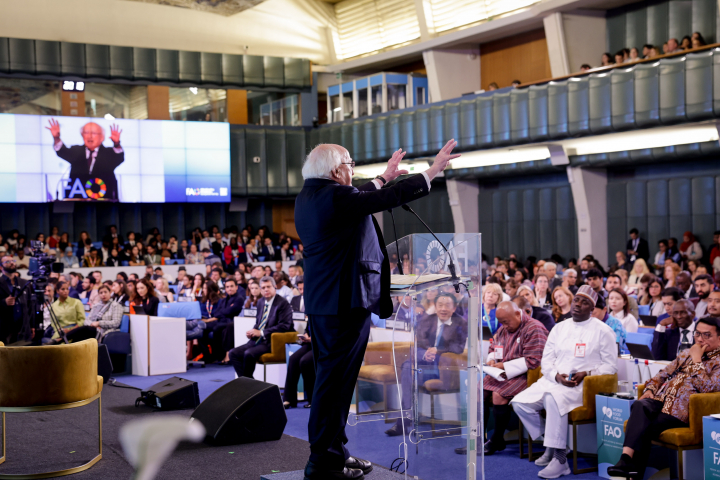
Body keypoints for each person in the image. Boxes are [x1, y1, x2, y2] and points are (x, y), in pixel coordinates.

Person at [295, 139, 458, 480]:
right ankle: (323, 463)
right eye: (351, 164)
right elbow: (380, 200)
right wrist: (431, 172)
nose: (353, 170)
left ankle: (333, 454)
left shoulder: (312, 196)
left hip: (328, 304)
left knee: (333, 382)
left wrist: (383, 177)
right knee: (335, 385)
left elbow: (363, 197)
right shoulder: (337, 196)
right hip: (343, 305)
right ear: (337, 170)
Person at [511, 285, 617, 479]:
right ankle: (554, 444)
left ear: (592, 309)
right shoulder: (559, 328)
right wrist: (555, 376)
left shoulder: (604, 331)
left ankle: (560, 461)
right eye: (577, 300)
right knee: (519, 403)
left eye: (585, 302)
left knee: (553, 399)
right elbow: (547, 360)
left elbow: (610, 367)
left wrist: (587, 373)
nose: (578, 305)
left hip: (583, 386)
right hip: (553, 380)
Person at [608, 316, 720, 479]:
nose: (700, 339)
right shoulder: (685, 353)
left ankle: (629, 468)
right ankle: (626, 461)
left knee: (642, 426)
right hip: (660, 401)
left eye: (707, 335)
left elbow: (708, 388)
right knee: (640, 405)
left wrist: (696, 360)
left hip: (683, 411)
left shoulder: (715, 360)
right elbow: (662, 374)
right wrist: (651, 389)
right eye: (697, 334)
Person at [456, 301, 548, 455]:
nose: (504, 326)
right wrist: (492, 359)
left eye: (506, 322)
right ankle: (478, 439)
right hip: (503, 372)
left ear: (518, 314)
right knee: (478, 390)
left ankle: (496, 440)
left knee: (498, 394)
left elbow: (535, 360)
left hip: (526, 376)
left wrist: (504, 366)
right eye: (501, 322)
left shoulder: (534, 328)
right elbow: (494, 346)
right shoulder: (505, 328)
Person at [385, 293, 468, 436]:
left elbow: (458, 348)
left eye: (447, 305)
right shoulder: (427, 320)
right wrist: (424, 354)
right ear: (435, 307)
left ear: (454, 308)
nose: (443, 309)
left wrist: (438, 351)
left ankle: (404, 421)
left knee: (409, 372)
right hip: (423, 365)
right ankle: (406, 418)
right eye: (440, 305)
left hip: (443, 367)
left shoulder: (460, 323)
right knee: (407, 366)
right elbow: (417, 344)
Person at [228, 276, 294, 377]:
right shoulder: (260, 302)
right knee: (233, 353)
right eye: (263, 288)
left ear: (275, 287)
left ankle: (248, 385)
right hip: (257, 340)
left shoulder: (283, 303)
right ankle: (248, 383)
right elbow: (259, 323)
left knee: (248, 354)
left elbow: (285, 326)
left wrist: (262, 332)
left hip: (272, 341)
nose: (266, 289)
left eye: (268, 286)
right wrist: (253, 330)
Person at [46, 119, 124, 201]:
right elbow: (62, 151)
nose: (90, 136)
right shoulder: (76, 151)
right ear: (82, 135)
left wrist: (117, 144)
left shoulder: (109, 153)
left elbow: (118, 157)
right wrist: (56, 138)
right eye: (86, 133)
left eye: (94, 133)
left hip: (104, 200)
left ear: (102, 137)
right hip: (77, 199)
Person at [0, 255, 30, 344]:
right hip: (5, 327)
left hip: (23, 327)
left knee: (25, 356)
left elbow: (30, 305)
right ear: (1, 267)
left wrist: (32, 326)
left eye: (13, 261)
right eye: (8, 262)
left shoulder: (23, 282)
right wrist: (4, 302)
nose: (12, 263)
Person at [283, 325, 314, 409]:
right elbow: (308, 328)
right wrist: (306, 335)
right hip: (309, 344)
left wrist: (312, 339)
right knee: (293, 359)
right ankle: (289, 399)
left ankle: (312, 400)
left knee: (305, 361)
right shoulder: (311, 313)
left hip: (321, 345)